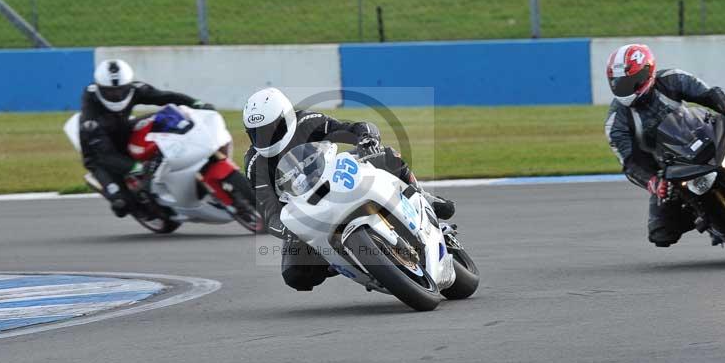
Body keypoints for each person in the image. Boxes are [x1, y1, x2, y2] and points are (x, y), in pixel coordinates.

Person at [243, 87, 455, 291]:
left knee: (386, 156)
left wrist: (366, 136)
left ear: (287, 117)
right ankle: (346, 261)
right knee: (295, 275)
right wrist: (286, 230)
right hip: (304, 210)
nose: (265, 138)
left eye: (271, 130)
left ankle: (424, 197)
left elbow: (347, 128)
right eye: (257, 134)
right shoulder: (254, 163)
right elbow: (269, 210)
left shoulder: (307, 122)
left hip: (334, 176)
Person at [604, 43, 725, 247]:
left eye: (631, 81)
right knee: (661, 234)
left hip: (704, 138)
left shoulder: (672, 78)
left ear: (647, 72)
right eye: (619, 83)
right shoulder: (616, 122)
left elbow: (710, 94)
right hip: (670, 169)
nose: (625, 88)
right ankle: (703, 216)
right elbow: (630, 163)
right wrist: (653, 182)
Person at [79, 59, 242, 218]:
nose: (116, 95)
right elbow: (105, 155)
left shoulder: (136, 90)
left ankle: (189, 156)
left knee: (168, 116)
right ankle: (141, 204)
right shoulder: (90, 116)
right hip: (99, 153)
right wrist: (137, 168)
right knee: (122, 205)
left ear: (128, 85)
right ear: (100, 89)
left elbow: (166, 97)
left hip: (124, 130)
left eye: (121, 90)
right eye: (110, 92)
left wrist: (197, 104)